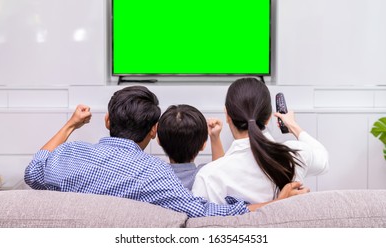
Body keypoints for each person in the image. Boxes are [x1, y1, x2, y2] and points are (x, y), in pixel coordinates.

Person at [24, 85, 308, 218]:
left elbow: (33, 171)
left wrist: (70, 125)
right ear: (153, 131)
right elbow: (208, 212)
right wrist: (275, 204)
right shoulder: (157, 176)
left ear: (108, 121)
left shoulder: (68, 155)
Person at [192, 77, 329, 205]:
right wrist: (292, 125)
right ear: (269, 117)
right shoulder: (295, 155)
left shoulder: (208, 177)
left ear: (227, 115)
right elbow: (323, 160)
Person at [157, 104, 225, 190]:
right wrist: (215, 137)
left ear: (158, 141)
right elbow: (220, 169)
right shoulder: (203, 175)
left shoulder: (156, 176)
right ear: (203, 145)